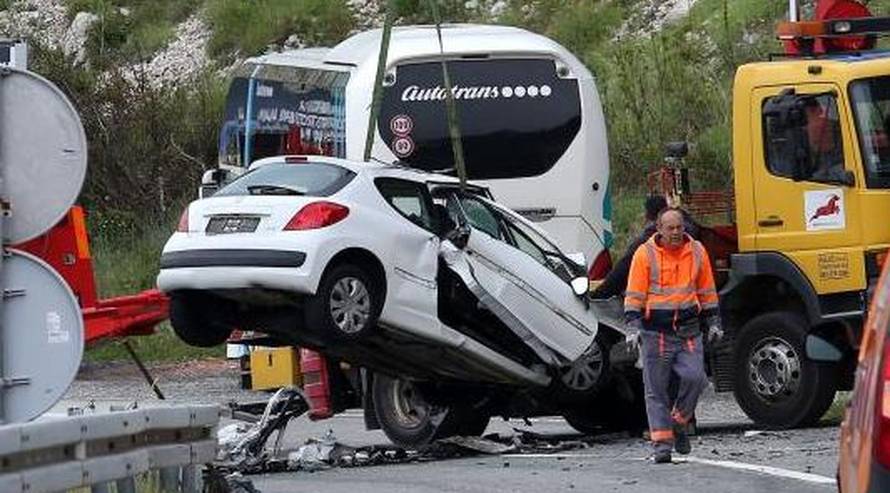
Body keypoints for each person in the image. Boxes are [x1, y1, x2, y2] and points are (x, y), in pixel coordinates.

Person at [623, 207, 723, 464]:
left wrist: (713, 322)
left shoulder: (697, 251)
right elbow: (634, 294)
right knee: (655, 391)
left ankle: (679, 421)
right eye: (671, 228)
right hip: (655, 332)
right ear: (659, 230)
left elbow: (707, 290)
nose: (677, 232)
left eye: (680, 227)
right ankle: (662, 447)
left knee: (696, 378)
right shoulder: (644, 255)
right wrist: (633, 327)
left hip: (688, 330)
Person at [591, 195, 699, 300]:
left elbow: (620, 273)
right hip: (692, 307)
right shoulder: (694, 241)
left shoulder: (646, 244)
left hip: (661, 310)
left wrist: (597, 295)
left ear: (648, 216)